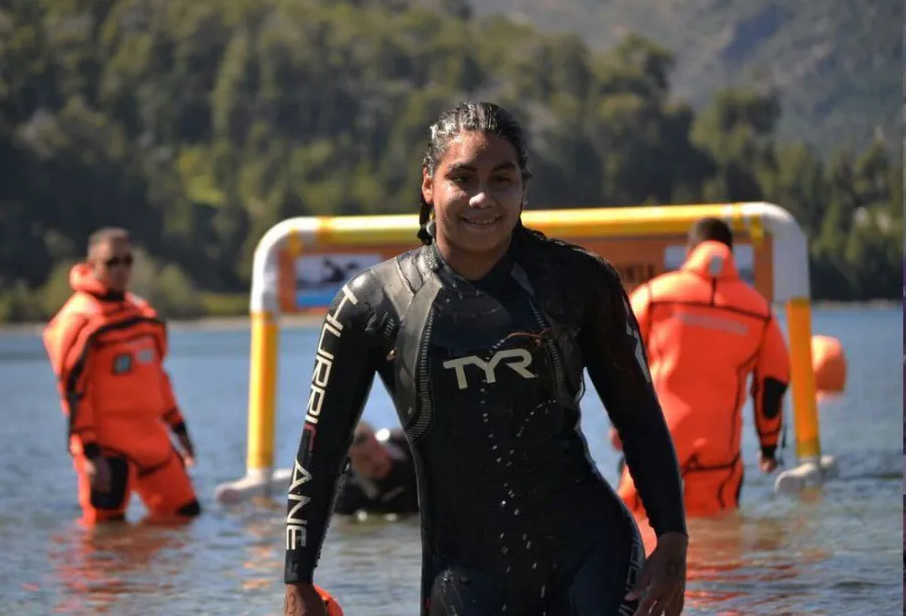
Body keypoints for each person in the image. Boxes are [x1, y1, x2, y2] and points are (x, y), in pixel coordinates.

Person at [282, 102, 688, 616]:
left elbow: (639, 417)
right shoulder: (372, 304)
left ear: (524, 187)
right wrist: (299, 581)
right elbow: (321, 446)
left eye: (502, 179)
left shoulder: (578, 283)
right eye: (463, 177)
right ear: (429, 184)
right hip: (462, 572)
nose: (482, 197)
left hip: (590, 554)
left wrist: (671, 543)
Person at [609, 217, 790, 520]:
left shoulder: (654, 297)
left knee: (642, 532)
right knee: (718, 544)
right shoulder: (759, 312)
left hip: (654, 444)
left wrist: (619, 422)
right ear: (731, 251)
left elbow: (614, 358)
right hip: (720, 455)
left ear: (690, 251)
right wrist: (769, 447)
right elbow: (772, 385)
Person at [42, 227, 201, 526]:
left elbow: (158, 378)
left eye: (127, 261)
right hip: (108, 448)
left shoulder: (141, 314)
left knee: (184, 518)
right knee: (104, 534)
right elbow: (74, 392)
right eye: (112, 262)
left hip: (153, 442)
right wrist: (89, 454)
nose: (121, 270)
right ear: (92, 266)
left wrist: (179, 428)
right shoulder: (79, 319)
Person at [334, 420, 419, 516]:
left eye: (376, 448)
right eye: (364, 459)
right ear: (351, 463)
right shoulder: (345, 495)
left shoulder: (411, 447)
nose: (377, 461)